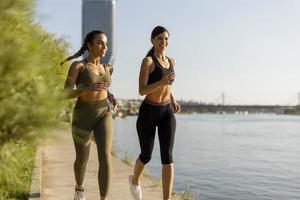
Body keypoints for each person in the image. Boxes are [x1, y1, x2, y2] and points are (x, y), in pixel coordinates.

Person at [61, 30, 116, 200]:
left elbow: (104, 89)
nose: (104, 46)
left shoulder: (108, 68)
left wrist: (111, 96)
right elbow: (65, 93)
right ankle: (79, 189)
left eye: (106, 43)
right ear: (89, 45)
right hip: (83, 115)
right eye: (99, 43)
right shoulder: (79, 66)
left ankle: (103, 198)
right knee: (82, 160)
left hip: (104, 113)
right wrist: (86, 89)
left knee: (106, 156)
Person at [129, 26, 181, 200]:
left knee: (168, 157)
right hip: (149, 112)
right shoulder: (148, 62)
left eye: (166, 39)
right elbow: (142, 90)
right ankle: (134, 180)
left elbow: (167, 86)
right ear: (152, 40)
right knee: (146, 155)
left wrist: (172, 99)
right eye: (160, 38)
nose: (163, 42)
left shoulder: (172, 61)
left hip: (166, 112)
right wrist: (162, 81)